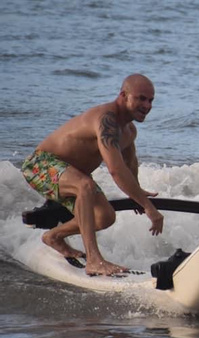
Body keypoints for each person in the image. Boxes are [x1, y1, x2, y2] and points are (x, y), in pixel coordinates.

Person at [21, 74, 164, 276]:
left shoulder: (129, 131)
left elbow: (129, 164)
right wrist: (150, 209)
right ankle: (94, 260)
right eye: (141, 98)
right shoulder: (106, 120)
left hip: (74, 176)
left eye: (151, 100)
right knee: (85, 185)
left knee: (105, 216)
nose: (147, 105)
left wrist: (138, 194)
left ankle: (54, 236)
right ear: (123, 95)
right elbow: (115, 170)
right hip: (39, 165)